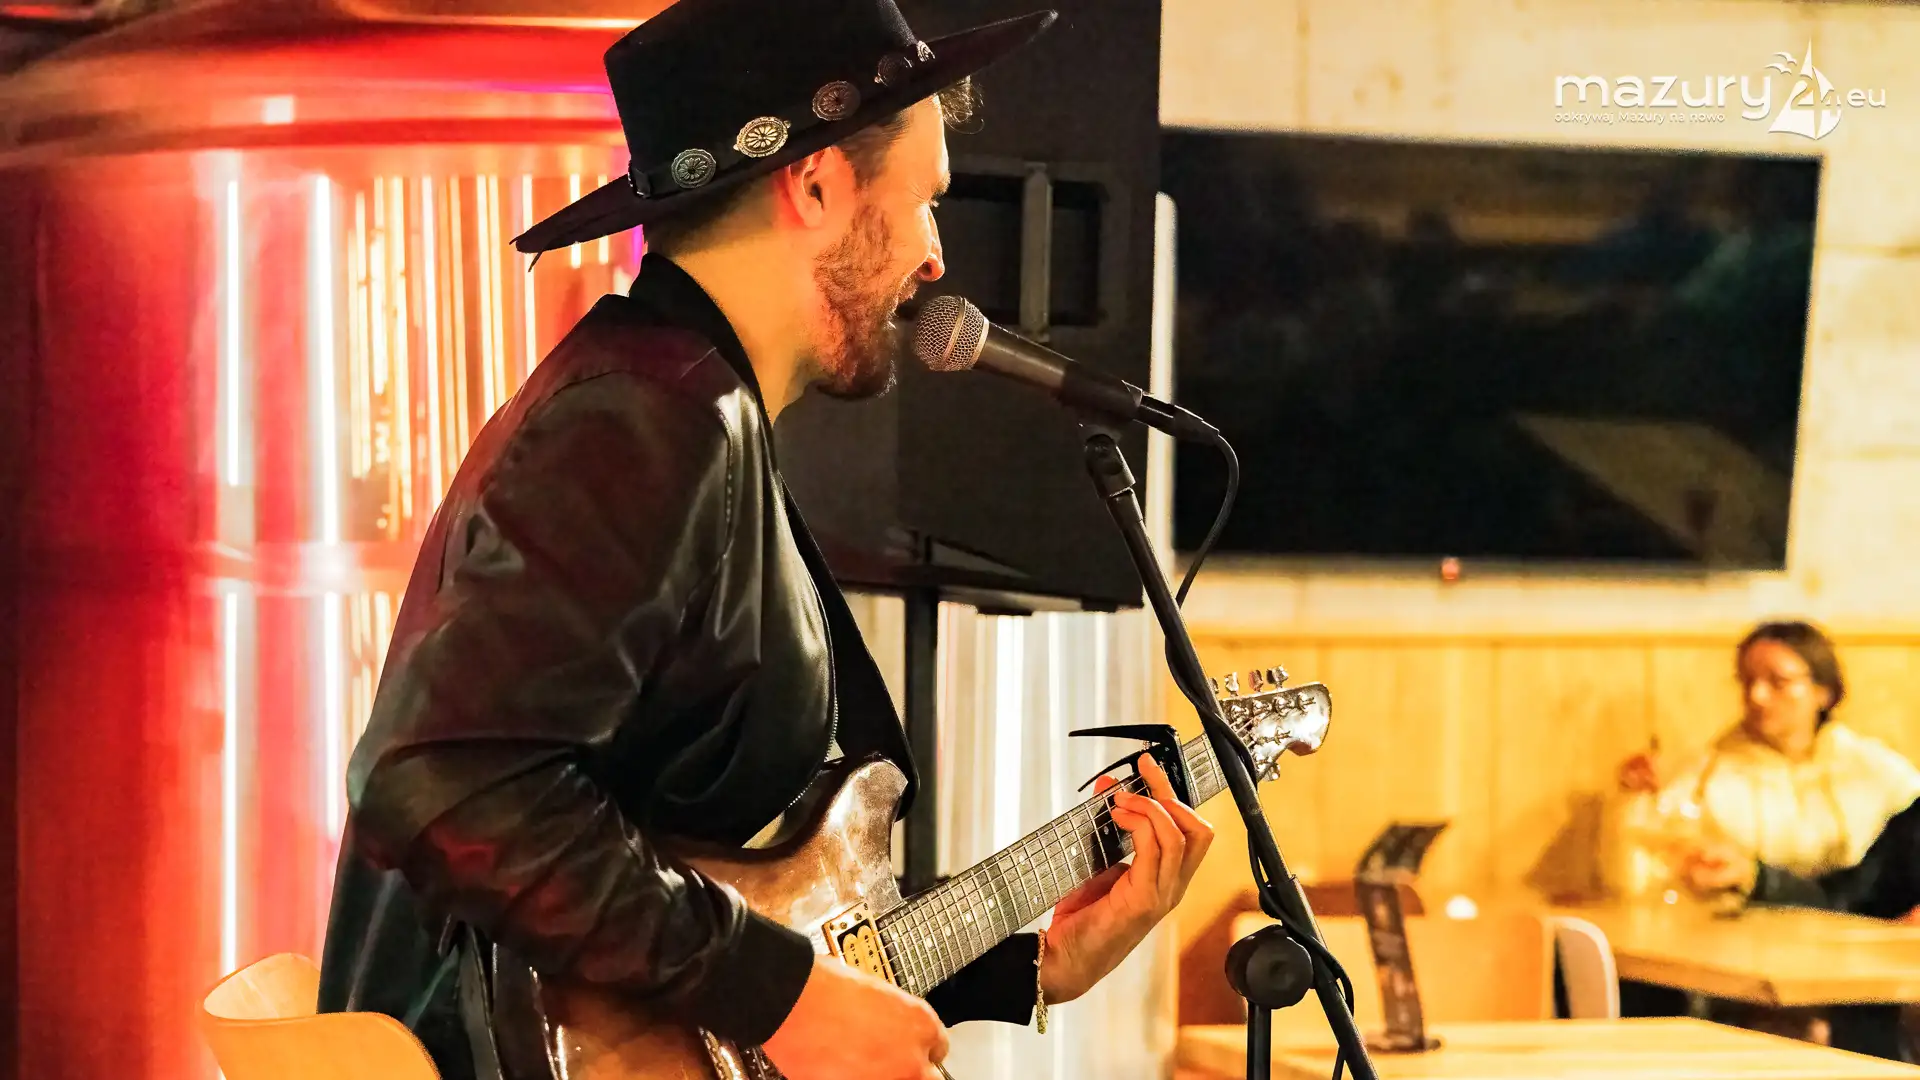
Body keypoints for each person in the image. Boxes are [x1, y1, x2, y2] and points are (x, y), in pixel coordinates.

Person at [312, 3, 1215, 1080]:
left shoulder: (691, 404)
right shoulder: (645, 420)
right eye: (925, 199)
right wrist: (777, 993)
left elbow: (738, 913)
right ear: (818, 184)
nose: (934, 256)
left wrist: (1024, 967)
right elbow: (443, 782)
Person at [1611, 619, 1920, 1059]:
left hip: (1860, 973)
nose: (1757, 697)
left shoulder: (1878, 773)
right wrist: (1634, 801)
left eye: (1777, 682)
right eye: (1747, 682)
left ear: (1823, 692)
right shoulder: (1709, 771)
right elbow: (1844, 898)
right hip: (1745, 957)